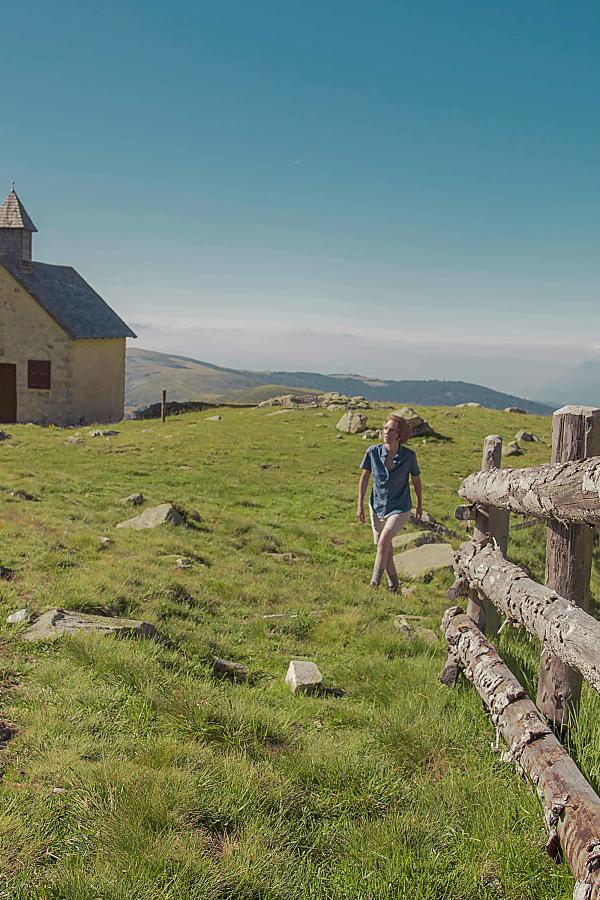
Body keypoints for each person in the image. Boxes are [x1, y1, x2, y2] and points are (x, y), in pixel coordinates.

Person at [357, 415, 422, 592]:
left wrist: (420, 504)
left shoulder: (409, 456)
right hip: (376, 506)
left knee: (383, 542)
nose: (387, 432)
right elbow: (364, 479)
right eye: (385, 428)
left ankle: (374, 585)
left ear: (399, 434)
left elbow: (416, 480)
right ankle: (394, 586)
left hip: (400, 508)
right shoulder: (372, 452)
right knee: (386, 549)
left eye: (392, 429)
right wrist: (360, 505)